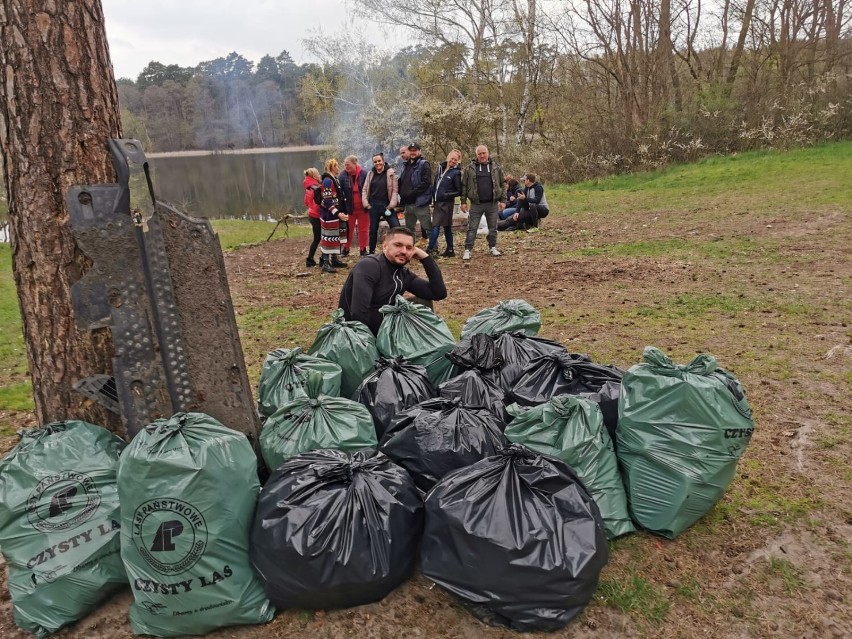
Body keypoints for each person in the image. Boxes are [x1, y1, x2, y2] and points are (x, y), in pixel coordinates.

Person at [338, 227, 447, 336]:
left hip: (388, 325)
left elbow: (438, 293)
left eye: (409, 248)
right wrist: (368, 344)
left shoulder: (403, 273)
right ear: (385, 246)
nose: (404, 251)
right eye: (398, 245)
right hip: (356, 332)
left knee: (423, 302)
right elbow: (358, 313)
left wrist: (425, 258)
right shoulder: (370, 266)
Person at [460, 144, 506, 261]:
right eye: (479, 154)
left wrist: (503, 200)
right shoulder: (469, 169)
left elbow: (503, 184)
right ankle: (468, 250)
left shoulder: (496, 167)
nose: (482, 155)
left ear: (488, 153)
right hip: (476, 204)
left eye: (484, 153)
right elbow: (464, 186)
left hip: (492, 203)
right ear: (476, 155)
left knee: (493, 228)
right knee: (472, 228)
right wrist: (463, 201)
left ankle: (492, 247)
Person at [361, 152, 400, 254]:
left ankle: (396, 248)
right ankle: (372, 251)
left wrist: (391, 205)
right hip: (373, 205)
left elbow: (395, 191)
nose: (377, 163)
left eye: (379, 161)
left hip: (387, 206)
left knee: (396, 227)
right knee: (373, 230)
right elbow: (365, 189)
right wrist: (367, 205)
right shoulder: (370, 174)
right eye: (375, 162)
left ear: (383, 161)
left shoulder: (391, 173)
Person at [427, 149, 462, 257]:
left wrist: (446, 195)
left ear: (458, 161)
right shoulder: (440, 167)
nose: (453, 161)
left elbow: (459, 191)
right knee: (447, 227)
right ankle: (450, 250)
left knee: (436, 225)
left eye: (455, 160)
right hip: (438, 202)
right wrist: (433, 196)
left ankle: (429, 250)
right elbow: (435, 184)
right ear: (448, 157)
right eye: (452, 158)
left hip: (446, 203)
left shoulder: (456, 173)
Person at [397, 142, 432, 243]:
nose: (412, 152)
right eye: (411, 150)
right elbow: (401, 181)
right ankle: (410, 248)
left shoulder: (424, 164)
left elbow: (426, 182)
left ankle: (434, 248)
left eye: (415, 150)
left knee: (428, 228)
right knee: (409, 230)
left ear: (419, 151)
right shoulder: (405, 165)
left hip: (420, 203)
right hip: (408, 204)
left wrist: (412, 193)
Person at [318, 158, 350, 273]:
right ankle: (325, 263)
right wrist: (337, 213)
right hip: (329, 215)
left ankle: (334, 258)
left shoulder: (335, 179)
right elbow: (327, 201)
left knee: (337, 237)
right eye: (336, 166)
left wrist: (343, 212)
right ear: (332, 167)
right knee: (329, 238)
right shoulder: (327, 181)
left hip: (338, 214)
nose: (338, 168)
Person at [338, 155, 369, 256]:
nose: (346, 167)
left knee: (363, 229)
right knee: (348, 229)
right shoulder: (342, 176)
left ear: (355, 164)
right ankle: (346, 249)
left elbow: (370, 190)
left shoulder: (365, 174)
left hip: (363, 208)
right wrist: (341, 209)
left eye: (348, 165)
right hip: (349, 208)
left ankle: (363, 249)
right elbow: (339, 193)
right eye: (345, 165)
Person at [303, 167, 323, 267]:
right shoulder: (315, 187)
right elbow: (318, 203)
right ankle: (322, 259)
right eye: (318, 173)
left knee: (317, 238)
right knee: (323, 237)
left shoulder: (308, 186)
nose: (320, 175)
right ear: (314, 176)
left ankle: (310, 259)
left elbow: (306, 202)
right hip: (317, 216)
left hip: (311, 215)